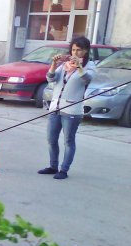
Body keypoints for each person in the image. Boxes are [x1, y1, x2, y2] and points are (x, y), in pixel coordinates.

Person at [39, 36, 95, 180]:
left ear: (86, 51)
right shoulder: (64, 65)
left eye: (79, 50)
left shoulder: (90, 66)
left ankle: (64, 169)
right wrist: (54, 63)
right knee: (51, 139)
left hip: (72, 110)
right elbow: (51, 78)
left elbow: (87, 79)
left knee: (68, 141)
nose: (75, 53)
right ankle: (53, 166)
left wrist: (79, 67)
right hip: (55, 108)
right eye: (73, 49)